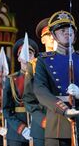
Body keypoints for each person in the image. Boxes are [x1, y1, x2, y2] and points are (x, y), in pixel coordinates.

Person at [33, 10, 79, 146]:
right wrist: (64, 110)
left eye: (70, 28)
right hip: (57, 126)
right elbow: (40, 91)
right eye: (62, 29)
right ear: (53, 35)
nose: (67, 31)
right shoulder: (44, 61)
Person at [23, 17, 56, 146]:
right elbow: (29, 99)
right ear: (43, 39)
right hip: (43, 124)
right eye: (48, 35)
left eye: (54, 33)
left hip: (65, 122)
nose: (52, 37)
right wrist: (42, 120)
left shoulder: (69, 62)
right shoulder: (35, 65)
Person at [3, 37, 39, 146]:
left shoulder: (41, 78)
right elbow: (6, 110)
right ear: (18, 58)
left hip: (39, 129)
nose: (27, 57)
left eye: (30, 53)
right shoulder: (11, 80)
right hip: (16, 134)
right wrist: (21, 128)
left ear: (34, 57)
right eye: (23, 53)